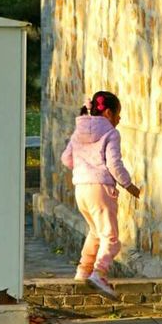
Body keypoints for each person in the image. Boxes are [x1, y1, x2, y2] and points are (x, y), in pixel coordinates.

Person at [61, 90, 141, 299]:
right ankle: (99, 273)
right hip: (101, 188)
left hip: (81, 189)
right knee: (111, 237)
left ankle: (83, 271)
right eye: (117, 114)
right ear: (107, 113)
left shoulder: (78, 131)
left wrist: (83, 168)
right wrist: (128, 184)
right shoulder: (111, 133)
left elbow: (66, 159)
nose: (119, 119)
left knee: (96, 232)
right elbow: (114, 164)